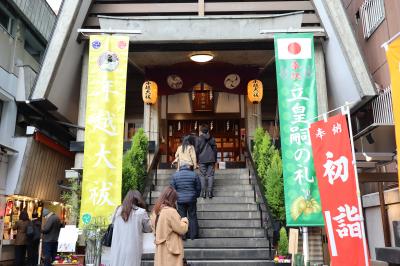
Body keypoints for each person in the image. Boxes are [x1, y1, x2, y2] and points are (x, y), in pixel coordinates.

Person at [110, 190, 152, 266]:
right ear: (138, 200)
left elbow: (112, 224)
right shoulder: (141, 212)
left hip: (117, 246)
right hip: (133, 247)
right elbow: (148, 229)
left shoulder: (117, 210)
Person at [151, 186, 188, 266]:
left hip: (160, 249)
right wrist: (184, 221)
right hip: (171, 250)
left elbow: (154, 229)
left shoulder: (155, 211)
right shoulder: (170, 212)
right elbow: (181, 229)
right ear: (172, 199)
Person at [171, 163, 201, 240]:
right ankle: (193, 235)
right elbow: (198, 187)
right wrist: (196, 195)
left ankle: (183, 235)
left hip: (180, 199)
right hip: (191, 199)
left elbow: (172, 188)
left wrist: (176, 197)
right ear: (189, 167)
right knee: (192, 216)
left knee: (182, 216)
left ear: (180, 167)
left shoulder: (175, 175)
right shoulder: (194, 175)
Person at [197, 124, 218, 198]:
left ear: (201, 131)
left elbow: (197, 150)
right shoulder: (212, 138)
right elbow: (215, 149)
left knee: (202, 175)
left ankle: (203, 193)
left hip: (202, 159)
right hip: (211, 159)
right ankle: (210, 192)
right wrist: (215, 159)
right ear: (208, 130)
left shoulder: (198, 139)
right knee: (210, 175)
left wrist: (197, 160)